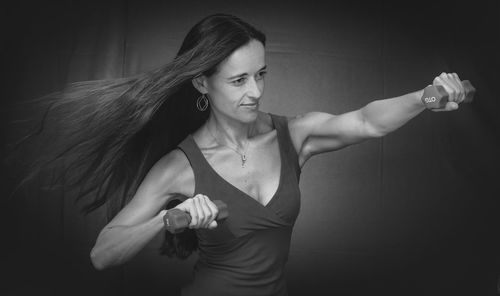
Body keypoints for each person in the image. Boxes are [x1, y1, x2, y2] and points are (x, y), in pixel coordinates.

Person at [14, 13, 468, 296]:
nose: (255, 92)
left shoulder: (295, 136)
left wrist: (425, 98)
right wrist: (167, 218)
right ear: (200, 83)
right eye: (238, 80)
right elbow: (102, 254)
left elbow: (366, 120)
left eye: (261, 74)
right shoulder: (178, 166)